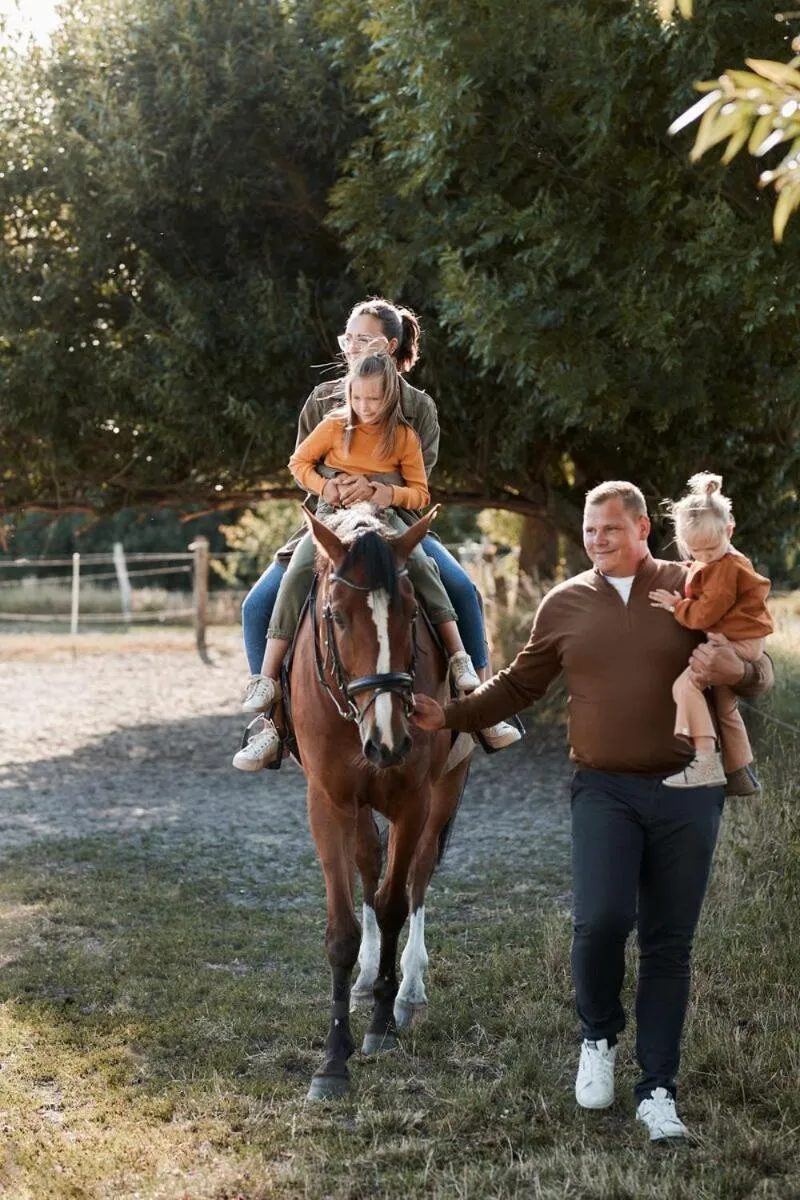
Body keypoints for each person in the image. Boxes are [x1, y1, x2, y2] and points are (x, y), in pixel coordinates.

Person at [411, 480, 774, 1141]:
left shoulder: (693, 586)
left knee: (669, 942)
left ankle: (658, 1090)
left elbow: (758, 666)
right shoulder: (566, 602)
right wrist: (453, 715)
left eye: (609, 528)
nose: (596, 540)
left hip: (690, 790)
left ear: (642, 529)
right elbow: (520, 684)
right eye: (588, 530)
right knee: (601, 920)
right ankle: (598, 1037)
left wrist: (739, 672)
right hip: (603, 788)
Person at [238, 295, 520, 758]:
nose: (351, 347)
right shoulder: (323, 400)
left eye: (362, 339)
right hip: (332, 520)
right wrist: (335, 486)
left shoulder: (418, 408)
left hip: (396, 521)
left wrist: (374, 488)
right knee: (256, 605)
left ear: (389, 346)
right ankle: (270, 722)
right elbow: (304, 465)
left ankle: (480, 710)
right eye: (347, 338)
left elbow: (419, 479)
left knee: (461, 589)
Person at [649, 473, 773, 793]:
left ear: (729, 530)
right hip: (744, 638)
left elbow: (706, 613)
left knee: (685, 687)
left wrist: (677, 606)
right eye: (695, 550)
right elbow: (702, 573)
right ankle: (738, 771)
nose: (703, 556)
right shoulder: (718, 560)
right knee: (724, 704)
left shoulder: (726, 568)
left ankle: (705, 761)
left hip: (738, 642)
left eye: (710, 548)